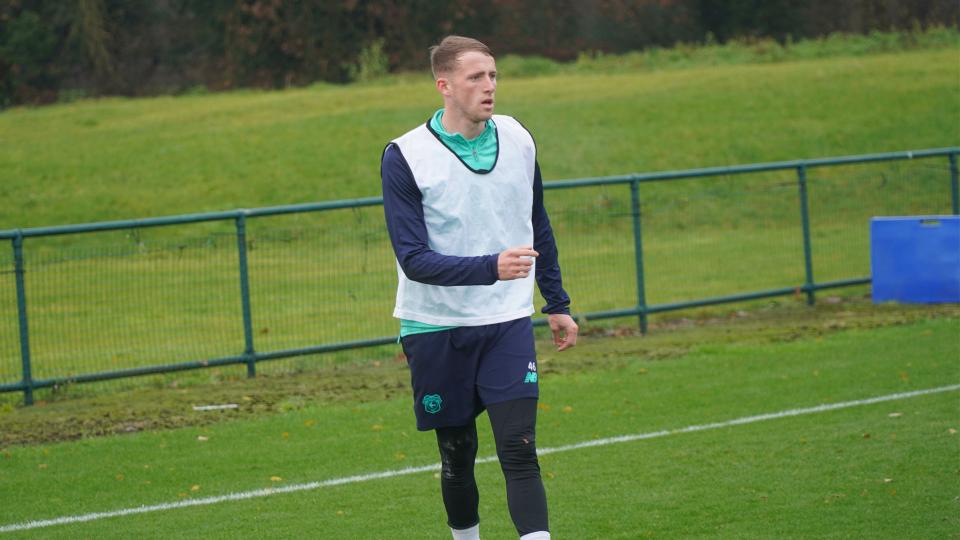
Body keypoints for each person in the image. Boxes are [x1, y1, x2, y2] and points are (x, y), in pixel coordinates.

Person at [380, 35, 578, 540]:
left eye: (492, 75)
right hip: (436, 325)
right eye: (475, 77)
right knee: (457, 453)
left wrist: (556, 301)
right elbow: (414, 260)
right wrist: (491, 266)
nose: (489, 86)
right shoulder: (405, 155)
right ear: (444, 85)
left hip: (506, 319)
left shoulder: (518, 137)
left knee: (518, 446)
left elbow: (537, 222)